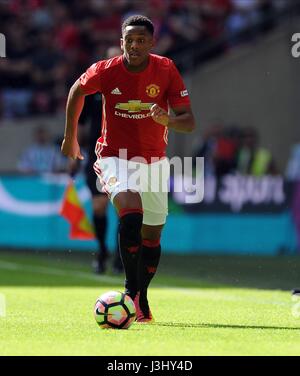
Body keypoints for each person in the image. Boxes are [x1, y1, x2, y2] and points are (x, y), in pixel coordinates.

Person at [61, 15, 195, 323]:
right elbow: (76, 91)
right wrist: (70, 137)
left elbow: (189, 121)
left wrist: (168, 120)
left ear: (151, 43)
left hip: (154, 162)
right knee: (131, 213)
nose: (134, 46)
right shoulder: (106, 70)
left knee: (152, 236)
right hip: (114, 157)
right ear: (122, 42)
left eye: (140, 40)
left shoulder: (166, 69)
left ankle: (141, 297)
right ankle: (129, 289)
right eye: (129, 40)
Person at [75, 46, 123, 275]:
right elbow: (82, 125)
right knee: (100, 205)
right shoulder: (94, 88)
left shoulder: (133, 87)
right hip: (99, 155)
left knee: (124, 207)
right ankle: (103, 251)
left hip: (126, 155)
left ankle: (120, 256)